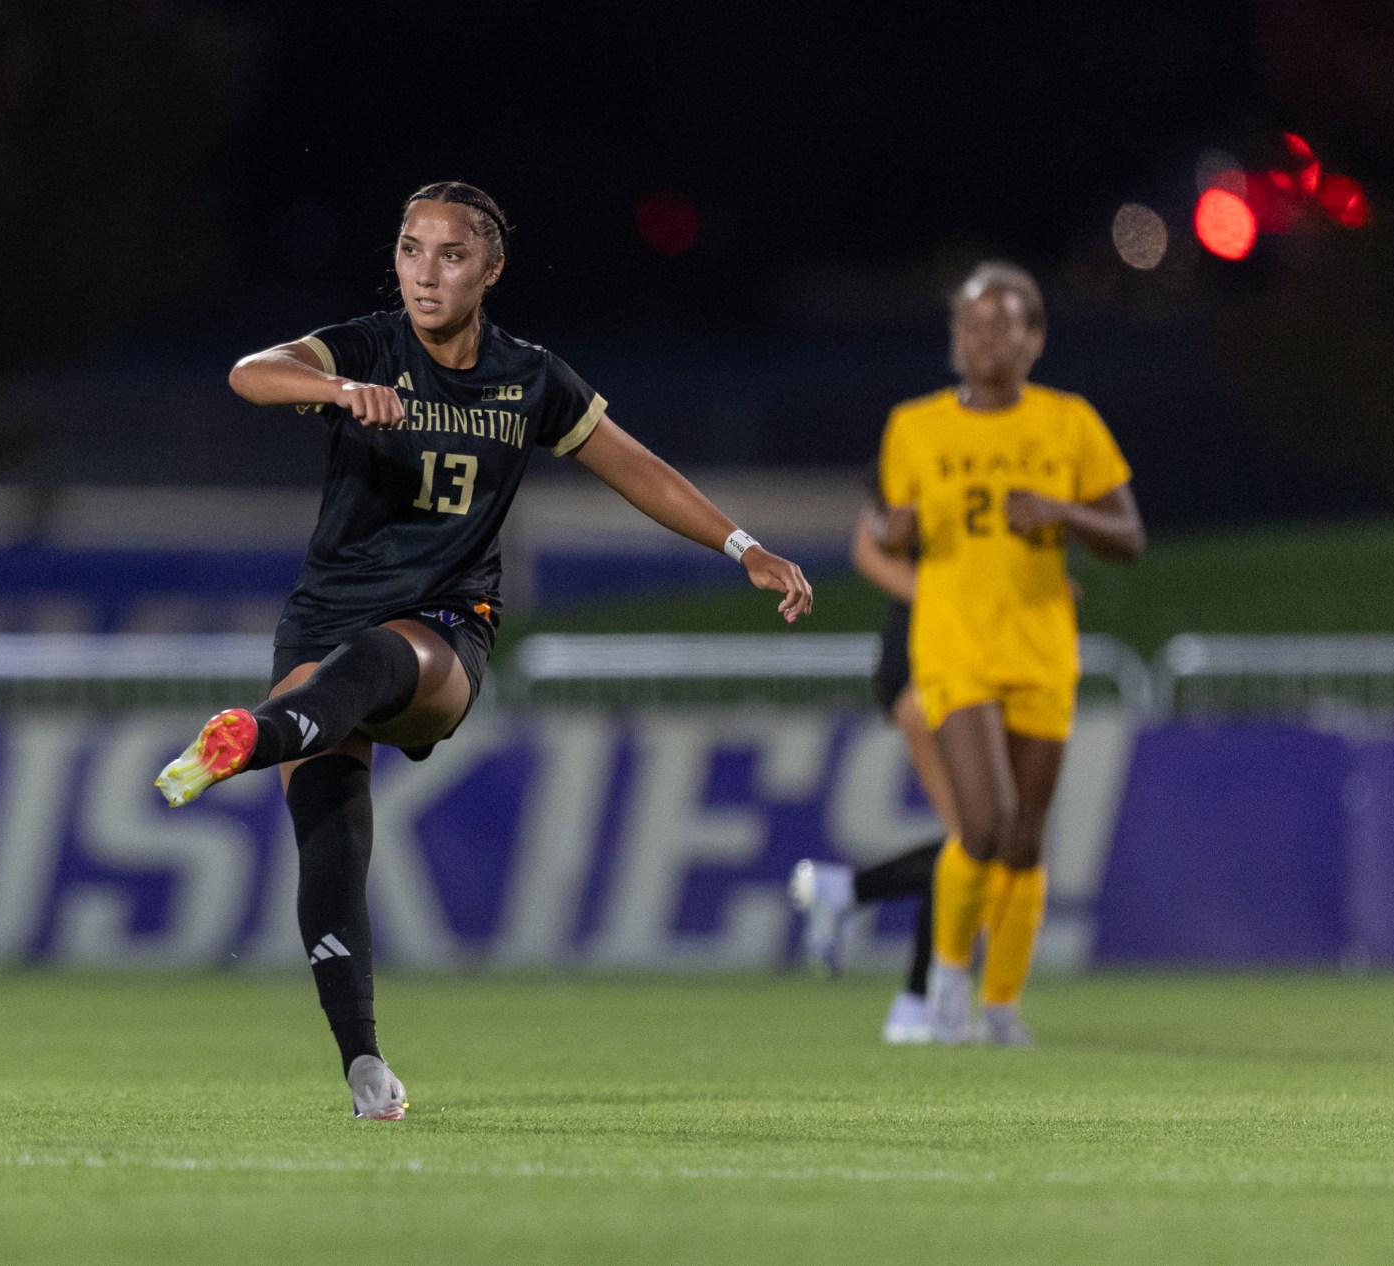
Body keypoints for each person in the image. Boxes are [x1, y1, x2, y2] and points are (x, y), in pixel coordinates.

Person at [155, 181, 816, 1118]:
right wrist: (336, 389)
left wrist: (742, 546)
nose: (426, 273)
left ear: (491, 268)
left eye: (451, 254)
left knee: (380, 661)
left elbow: (632, 465)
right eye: (410, 249)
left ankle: (253, 738)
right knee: (333, 849)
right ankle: (365, 1068)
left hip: (447, 623)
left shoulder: (531, 376)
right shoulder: (367, 347)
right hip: (323, 621)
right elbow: (250, 371)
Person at [872, 261, 1143, 1046]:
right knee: (984, 821)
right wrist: (897, 530)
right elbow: (893, 525)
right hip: (955, 643)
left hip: (1042, 644)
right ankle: (948, 979)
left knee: (1026, 833)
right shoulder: (915, 426)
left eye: (1002, 323)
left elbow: (1129, 536)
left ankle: (1001, 1007)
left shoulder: (1069, 423)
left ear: (1036, 338)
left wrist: (1062, 511)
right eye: (970, 324)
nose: (983, 338)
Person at [790, 496, 955, 1044]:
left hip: (981, 651)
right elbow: (869, 549)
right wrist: (945, 600)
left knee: (987, 842)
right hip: (929, 653)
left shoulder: (1013, 444)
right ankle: (917, 1002)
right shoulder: (918, 440)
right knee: (974, 843)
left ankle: (843, 892)